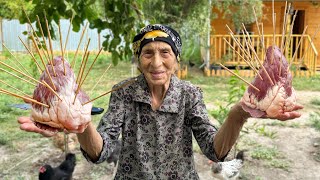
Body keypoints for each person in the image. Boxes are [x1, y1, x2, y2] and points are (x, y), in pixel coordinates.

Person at [18, 24, 303, 179]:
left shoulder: (190, 94)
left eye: (165, 52)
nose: (156, 62)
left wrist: (240, 113)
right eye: (147, 53)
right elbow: (100, 153)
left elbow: (214, 151)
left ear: (176, 59)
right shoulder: (124, 92)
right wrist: (81, 125)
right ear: (139, 60)